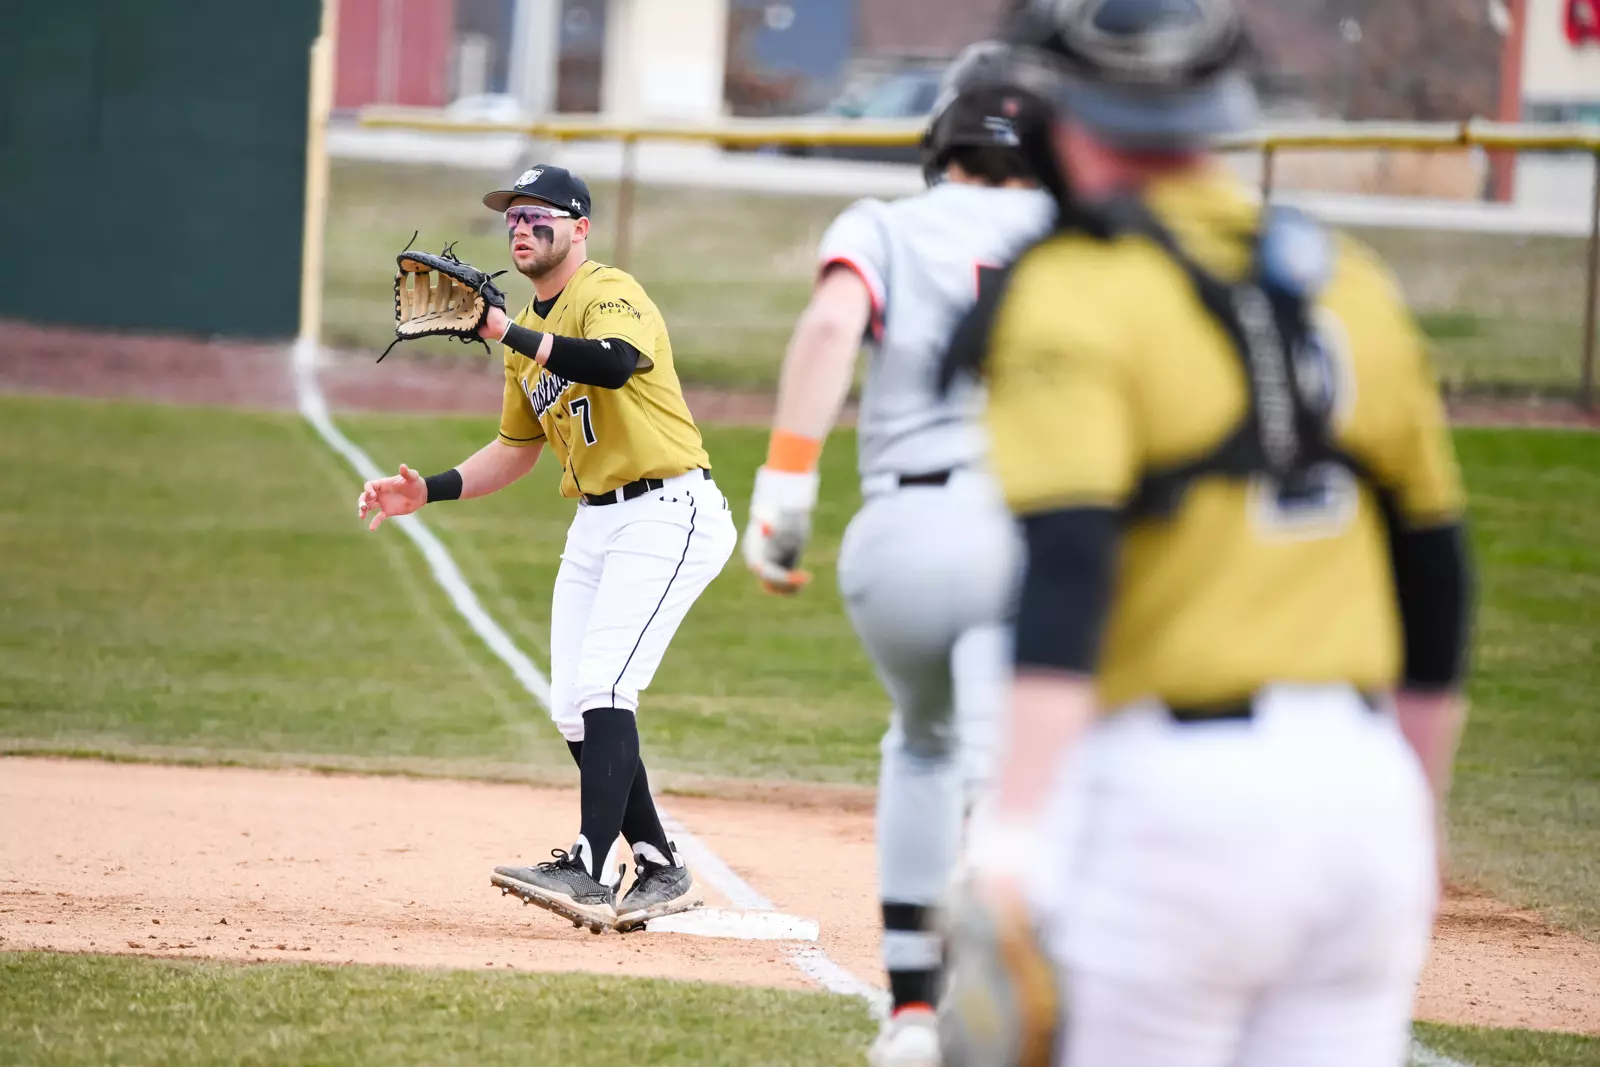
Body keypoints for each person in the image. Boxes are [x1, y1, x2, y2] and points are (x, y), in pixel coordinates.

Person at [938, 2, 1475, 1065]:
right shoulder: (1346, 278)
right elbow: (1436, 577)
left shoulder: (1076, 285)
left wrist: (1013, 836)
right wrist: (1412, 803)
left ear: (1064, 112)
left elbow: (1069, 568)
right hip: (1363, 795)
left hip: (1176, 802)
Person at [742, 43, 1060, 1067]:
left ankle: (913, 1010)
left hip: (908, 532)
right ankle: (1016, 980)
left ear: (942, 139)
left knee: (923, 742)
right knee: (1027, 763)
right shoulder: (1085, 236)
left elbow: (833, 323)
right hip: (1041, 530)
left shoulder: (886, 223)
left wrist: (785, 489)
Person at [357, 165, 737, 934]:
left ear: (579, 227)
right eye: (512, 218)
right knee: (572, 705)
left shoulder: (608, 289)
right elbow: (515, 451)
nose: (521, 228)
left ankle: (592, 869)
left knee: (605, 686)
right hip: (596, 523)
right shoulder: (522, 337)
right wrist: (422, 490)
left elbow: (612, 362)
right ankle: (660, 862)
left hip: (668, 509)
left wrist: (504, 330)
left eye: (540, 216)